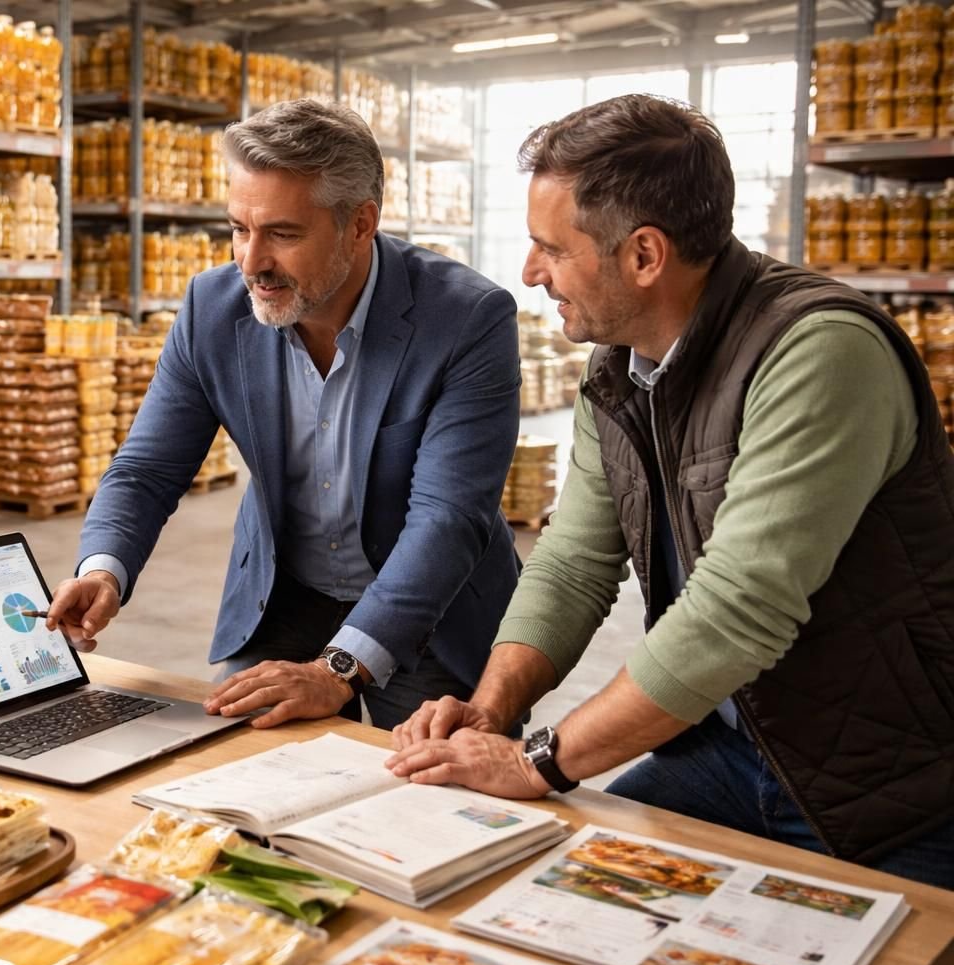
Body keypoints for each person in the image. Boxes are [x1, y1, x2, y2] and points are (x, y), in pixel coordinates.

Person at [387, 94, 954, 920]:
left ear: (645, 254)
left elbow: (736, 613)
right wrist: (494, 706)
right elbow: (576, 561)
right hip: (725, 750)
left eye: (552, 247)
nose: (530, 272)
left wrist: (541, 761)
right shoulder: (617, 368)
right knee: (549, 919)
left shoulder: (821, 352)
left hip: (885, 783)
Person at [45, 98, 522, 730]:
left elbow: (448, 519)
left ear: (360, 224)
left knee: (427, 788)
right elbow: (147, 468)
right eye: (239, 228)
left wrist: (339, 670)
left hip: (430, 608)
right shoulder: (213, 309)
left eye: (283, 234)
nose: (251, 262)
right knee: (226, 764)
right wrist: (103, 567)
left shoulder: (467, 319)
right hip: (286, 595)